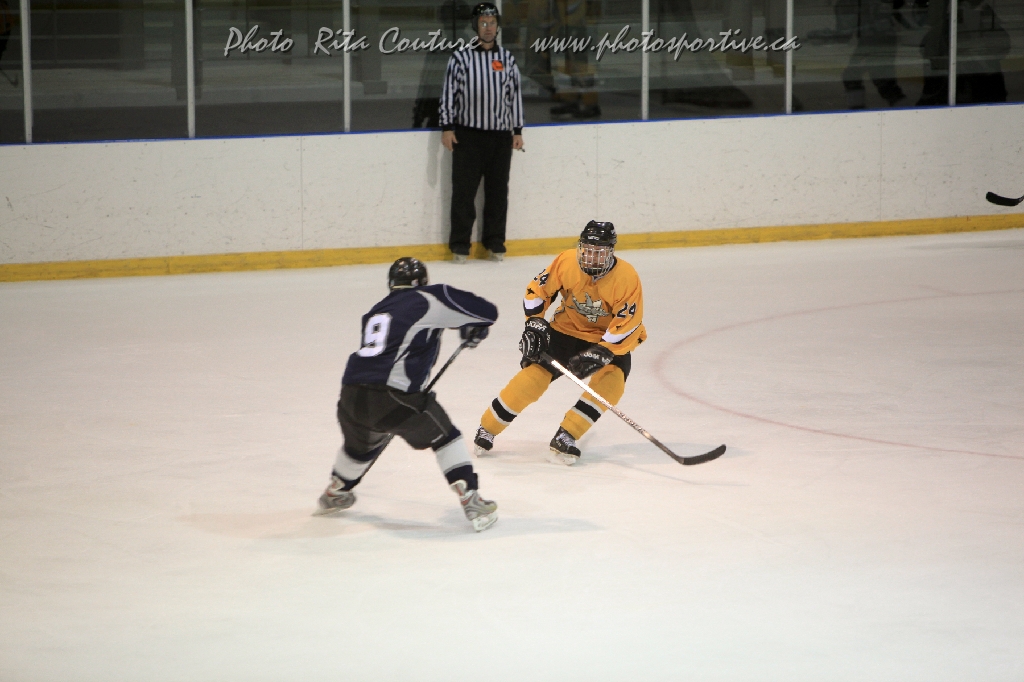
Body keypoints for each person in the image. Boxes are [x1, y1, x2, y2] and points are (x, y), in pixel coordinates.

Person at [315, 257, 500, 532]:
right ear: (422, 282)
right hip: (392, 396)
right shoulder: (430, 297)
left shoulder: (377, 310)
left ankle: (336, 491)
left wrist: (464, 326)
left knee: (360, 446)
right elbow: (487, 312)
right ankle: (471, 498)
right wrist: (469, 326)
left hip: (351, 396)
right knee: (445, 436)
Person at [472, 221, 646, 464]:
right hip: (565, 331)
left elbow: (628, 322)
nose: (592, 257)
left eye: (599, 252)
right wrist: (534, 323)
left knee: (612, 383)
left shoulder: (626, 277)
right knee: (533, 377)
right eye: (587, 250)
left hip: (604, 339)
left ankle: (567, 435)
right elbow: (537, 290)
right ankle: (488, 427)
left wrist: (603, 350)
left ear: (611, 252)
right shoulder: (566, 261)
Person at [439, 2, 524, 263]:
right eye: (483, 23)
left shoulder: (507, 59)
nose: (488, 28)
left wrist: (517, 130)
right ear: (475, 26)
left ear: (498, 26)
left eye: (493, 23)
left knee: (498, 193)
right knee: (464, 193)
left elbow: (514, 96)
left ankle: (495, 243)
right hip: (468, 136)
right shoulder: (461, 58)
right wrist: (447, 127)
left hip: (500, 137)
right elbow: (449, 94)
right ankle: (460, 245)